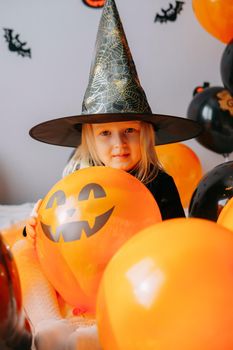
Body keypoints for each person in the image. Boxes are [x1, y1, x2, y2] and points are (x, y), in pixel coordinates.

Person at [13, 0, 202, 349]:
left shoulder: (159, 183)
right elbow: (55, 238)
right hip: (76, 280)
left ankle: (103, 330)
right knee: (22, 248)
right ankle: (50, 325)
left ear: (145, 134)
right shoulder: (77, 177)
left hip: (130, 282)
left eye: (129, 131)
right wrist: (36, 226)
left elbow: (175, 245)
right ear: (90, 139)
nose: (119, 144)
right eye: (105, 134)